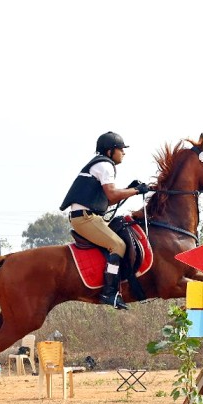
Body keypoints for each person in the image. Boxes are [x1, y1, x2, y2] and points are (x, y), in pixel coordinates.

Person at [59, 131, 150, 310]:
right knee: (118, 245)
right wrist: (136, 191)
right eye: (121, 149)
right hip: (85, 219)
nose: (123, 152)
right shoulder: (104, 165)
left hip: (88, 217)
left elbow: (109, 200)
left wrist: (130, 190)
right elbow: (112, 194)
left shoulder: (101, 165)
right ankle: (109, 292)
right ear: (110, 151)